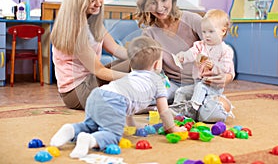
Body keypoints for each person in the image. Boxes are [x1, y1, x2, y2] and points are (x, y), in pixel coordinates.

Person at [49, 36, 187, 158]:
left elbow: (127, 104)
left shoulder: (130, 76)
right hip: (114, 101)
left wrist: (131, 125)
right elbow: (163, 111)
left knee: (91, 124)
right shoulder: (158, 81)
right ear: (157, 64)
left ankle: (72, 129)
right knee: (113, 135)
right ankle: (90, 140)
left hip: (98, 94)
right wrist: (173, 128)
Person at [136, 0, 233, 104]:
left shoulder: (192, 20)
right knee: (140, 99)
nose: (159, 8)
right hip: (173, 85)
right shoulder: (149, 34)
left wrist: (226, 77)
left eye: (164, 0)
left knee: (217, 110)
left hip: (202, 83)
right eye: (153, 3)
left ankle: (189, 104)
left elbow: (221, 49)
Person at [50, 0, 129, 110]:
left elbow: (116, 49)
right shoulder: (75, 30)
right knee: (120, 102)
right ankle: (146, 104)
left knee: (135, 61)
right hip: (76, 92)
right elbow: (99, 70)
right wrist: (133, 78)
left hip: (92, 79)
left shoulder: (93, 22)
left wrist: (144, 58)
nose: (98, 3)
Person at [170, 9, 235, 122]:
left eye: (211, 31)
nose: (206, 35)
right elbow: (192, 53)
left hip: (213, 87)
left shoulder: (225, 50)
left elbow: (226, 67)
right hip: (197, 83)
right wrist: (183, 56)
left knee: (201, 87)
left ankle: (192, 110)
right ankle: (179, 110)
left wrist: (214, 66)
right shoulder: (200, 45)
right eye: (204, 32)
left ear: (223, 31)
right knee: (181, 91)